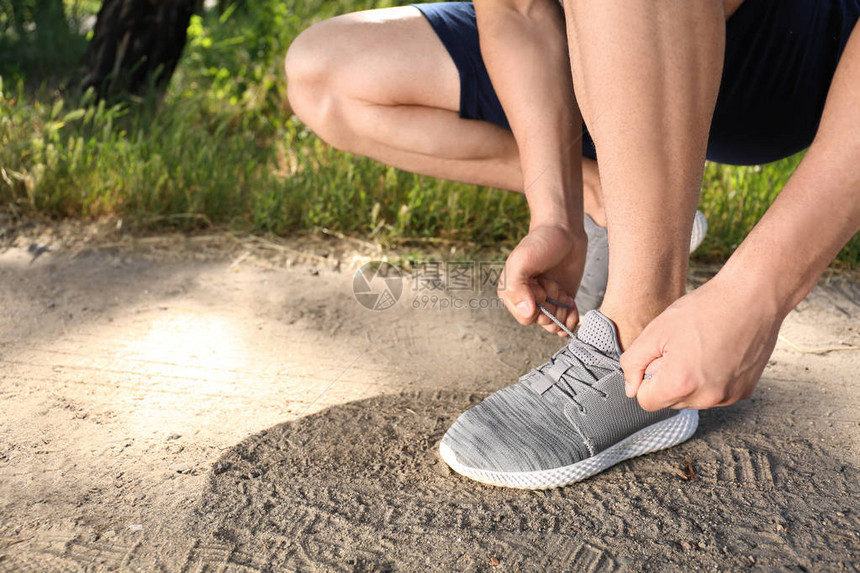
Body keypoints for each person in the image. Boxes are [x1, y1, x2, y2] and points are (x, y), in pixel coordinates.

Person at [285, 0, 860, 488]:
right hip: (595, 45)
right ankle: (615, 205)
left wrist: (755, 295)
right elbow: (518, 12)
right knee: (326, 71)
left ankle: (637, 331)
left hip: (799, 53)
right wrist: (556, 211)